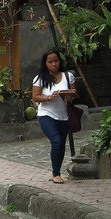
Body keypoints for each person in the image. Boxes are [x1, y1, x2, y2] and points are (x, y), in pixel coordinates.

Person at [32, 50, 78, 184]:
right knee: (56, 141)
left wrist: (69, 98)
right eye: (50, 62)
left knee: (61, 145)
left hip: (63, 116)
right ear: (45, 64)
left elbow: (74, 94)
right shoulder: (39, 78)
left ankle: (56, 171)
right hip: (46, 114)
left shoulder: (68, 76)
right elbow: (35, 96)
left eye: (56, 61)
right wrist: (48, 97)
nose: (54, 64)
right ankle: (56, 173)